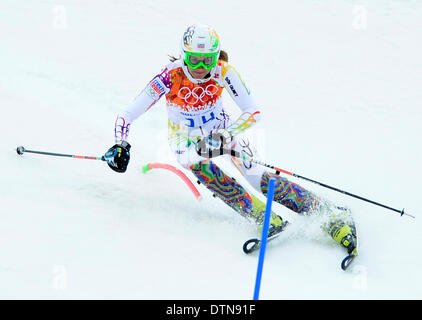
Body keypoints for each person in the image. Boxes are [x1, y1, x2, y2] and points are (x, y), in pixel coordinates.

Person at [104, 24, 357, 255]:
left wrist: (227, 134)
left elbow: (253, 111)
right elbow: (127, 115)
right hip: (187, 142)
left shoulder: (223, 71)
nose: (201, 67)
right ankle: (261, 216)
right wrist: (120, 144)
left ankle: (328, 214)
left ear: (216, 56)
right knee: (194, 162)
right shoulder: (169, 77)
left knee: (259, 178)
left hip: (223, 132)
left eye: (207, 60)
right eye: (194, 59)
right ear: (184, 56)